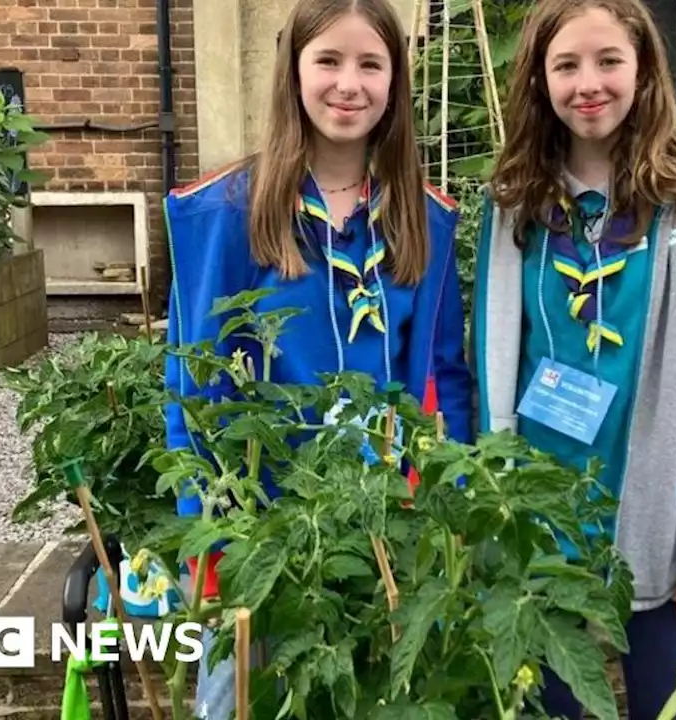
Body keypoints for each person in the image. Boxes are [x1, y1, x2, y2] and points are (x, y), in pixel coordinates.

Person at [160, 0, 473, 716]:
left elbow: (441, 378)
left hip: (381, 532)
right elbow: (192, 385)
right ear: (293, 71)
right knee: (238, 703)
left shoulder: (424, 218)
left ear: (395, 81)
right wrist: (206, 533)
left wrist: (440, 514)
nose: (348, 84)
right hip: (258, 534)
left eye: (371, 64)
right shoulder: (223, 211)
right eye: (328, 60)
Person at [469, 0, 676, 717]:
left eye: (608, 61)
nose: (587, 83)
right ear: (539, 79)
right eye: (565, 64)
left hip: (661, 534)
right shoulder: (513, 207)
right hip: (538, 538)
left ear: (643, 70)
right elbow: (491, 369)